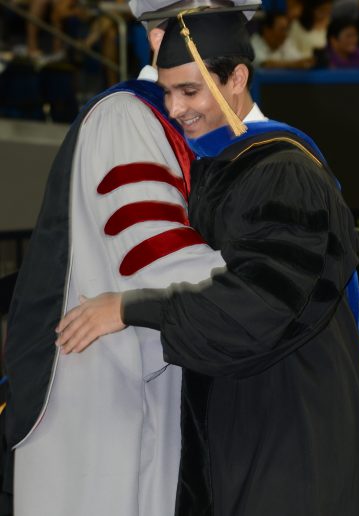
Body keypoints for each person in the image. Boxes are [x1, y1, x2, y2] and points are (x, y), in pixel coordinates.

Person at [57, 6, 359, 516]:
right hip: (260, 425)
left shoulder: (283, 172)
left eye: (190, 91)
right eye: (168, 91)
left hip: (299, 436)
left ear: (237, 79)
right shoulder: (225, 166)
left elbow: (254, 308)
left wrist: (127, 308)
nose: (176, 107)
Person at [2, 2, 257, 516]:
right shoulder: (127, 115)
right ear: (160, 41)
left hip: (143, 366)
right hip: (99, 386)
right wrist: (265, 290)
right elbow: (157, 256)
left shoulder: (183, 124)